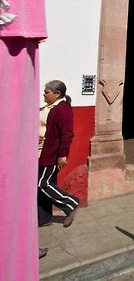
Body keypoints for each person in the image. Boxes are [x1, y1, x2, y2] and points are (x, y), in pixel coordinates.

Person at [38, 80, 79, 228]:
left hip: (50, 154)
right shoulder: (49, 107)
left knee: (42, 184)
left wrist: (63, 155)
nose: (44, 94)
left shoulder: (63, 109)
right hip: (40, 152)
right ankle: (44, 218)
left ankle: (71, 203)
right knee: (41, 186)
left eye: (47, 92)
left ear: (57, 94)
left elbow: (67, 134)